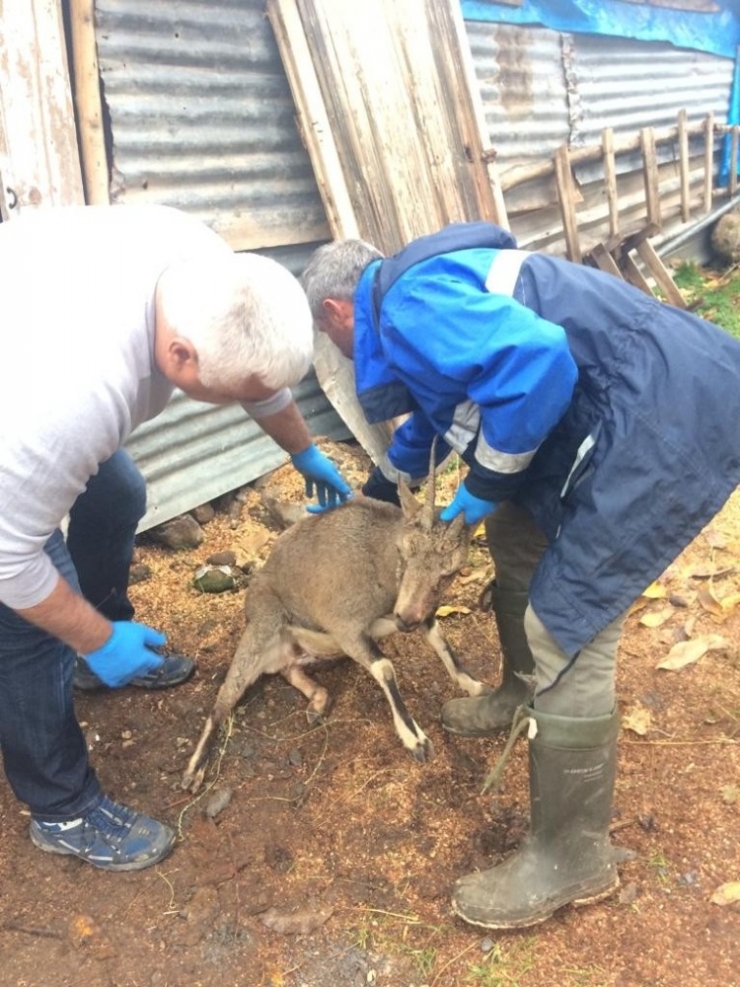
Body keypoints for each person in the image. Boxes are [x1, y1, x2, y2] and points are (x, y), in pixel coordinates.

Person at [300, 221, 740, 929]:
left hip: (661, 414)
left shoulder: (410, 305)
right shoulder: (419, 292)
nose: (340, 353)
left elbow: (537, 362)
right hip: (624, 399)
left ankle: (571, 856)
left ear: (336, 312)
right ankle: (516, 691)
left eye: (332, 341)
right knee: (514, 532)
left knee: (566, 616)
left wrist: (479, 486)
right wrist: (379, 491)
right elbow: (453, 410)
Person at [0, 203, 351, 872]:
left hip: (21, 348)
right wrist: (91, 637)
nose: (239, 400)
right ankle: (62, 807)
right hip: (15, 403)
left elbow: (255, 375)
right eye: (220, 392)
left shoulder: (206, 269)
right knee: (28, 628)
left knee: (120, 491)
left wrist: (303, 451)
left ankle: (97, 649)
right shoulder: (73, 397)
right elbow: (8, 558)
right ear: (179, 356)